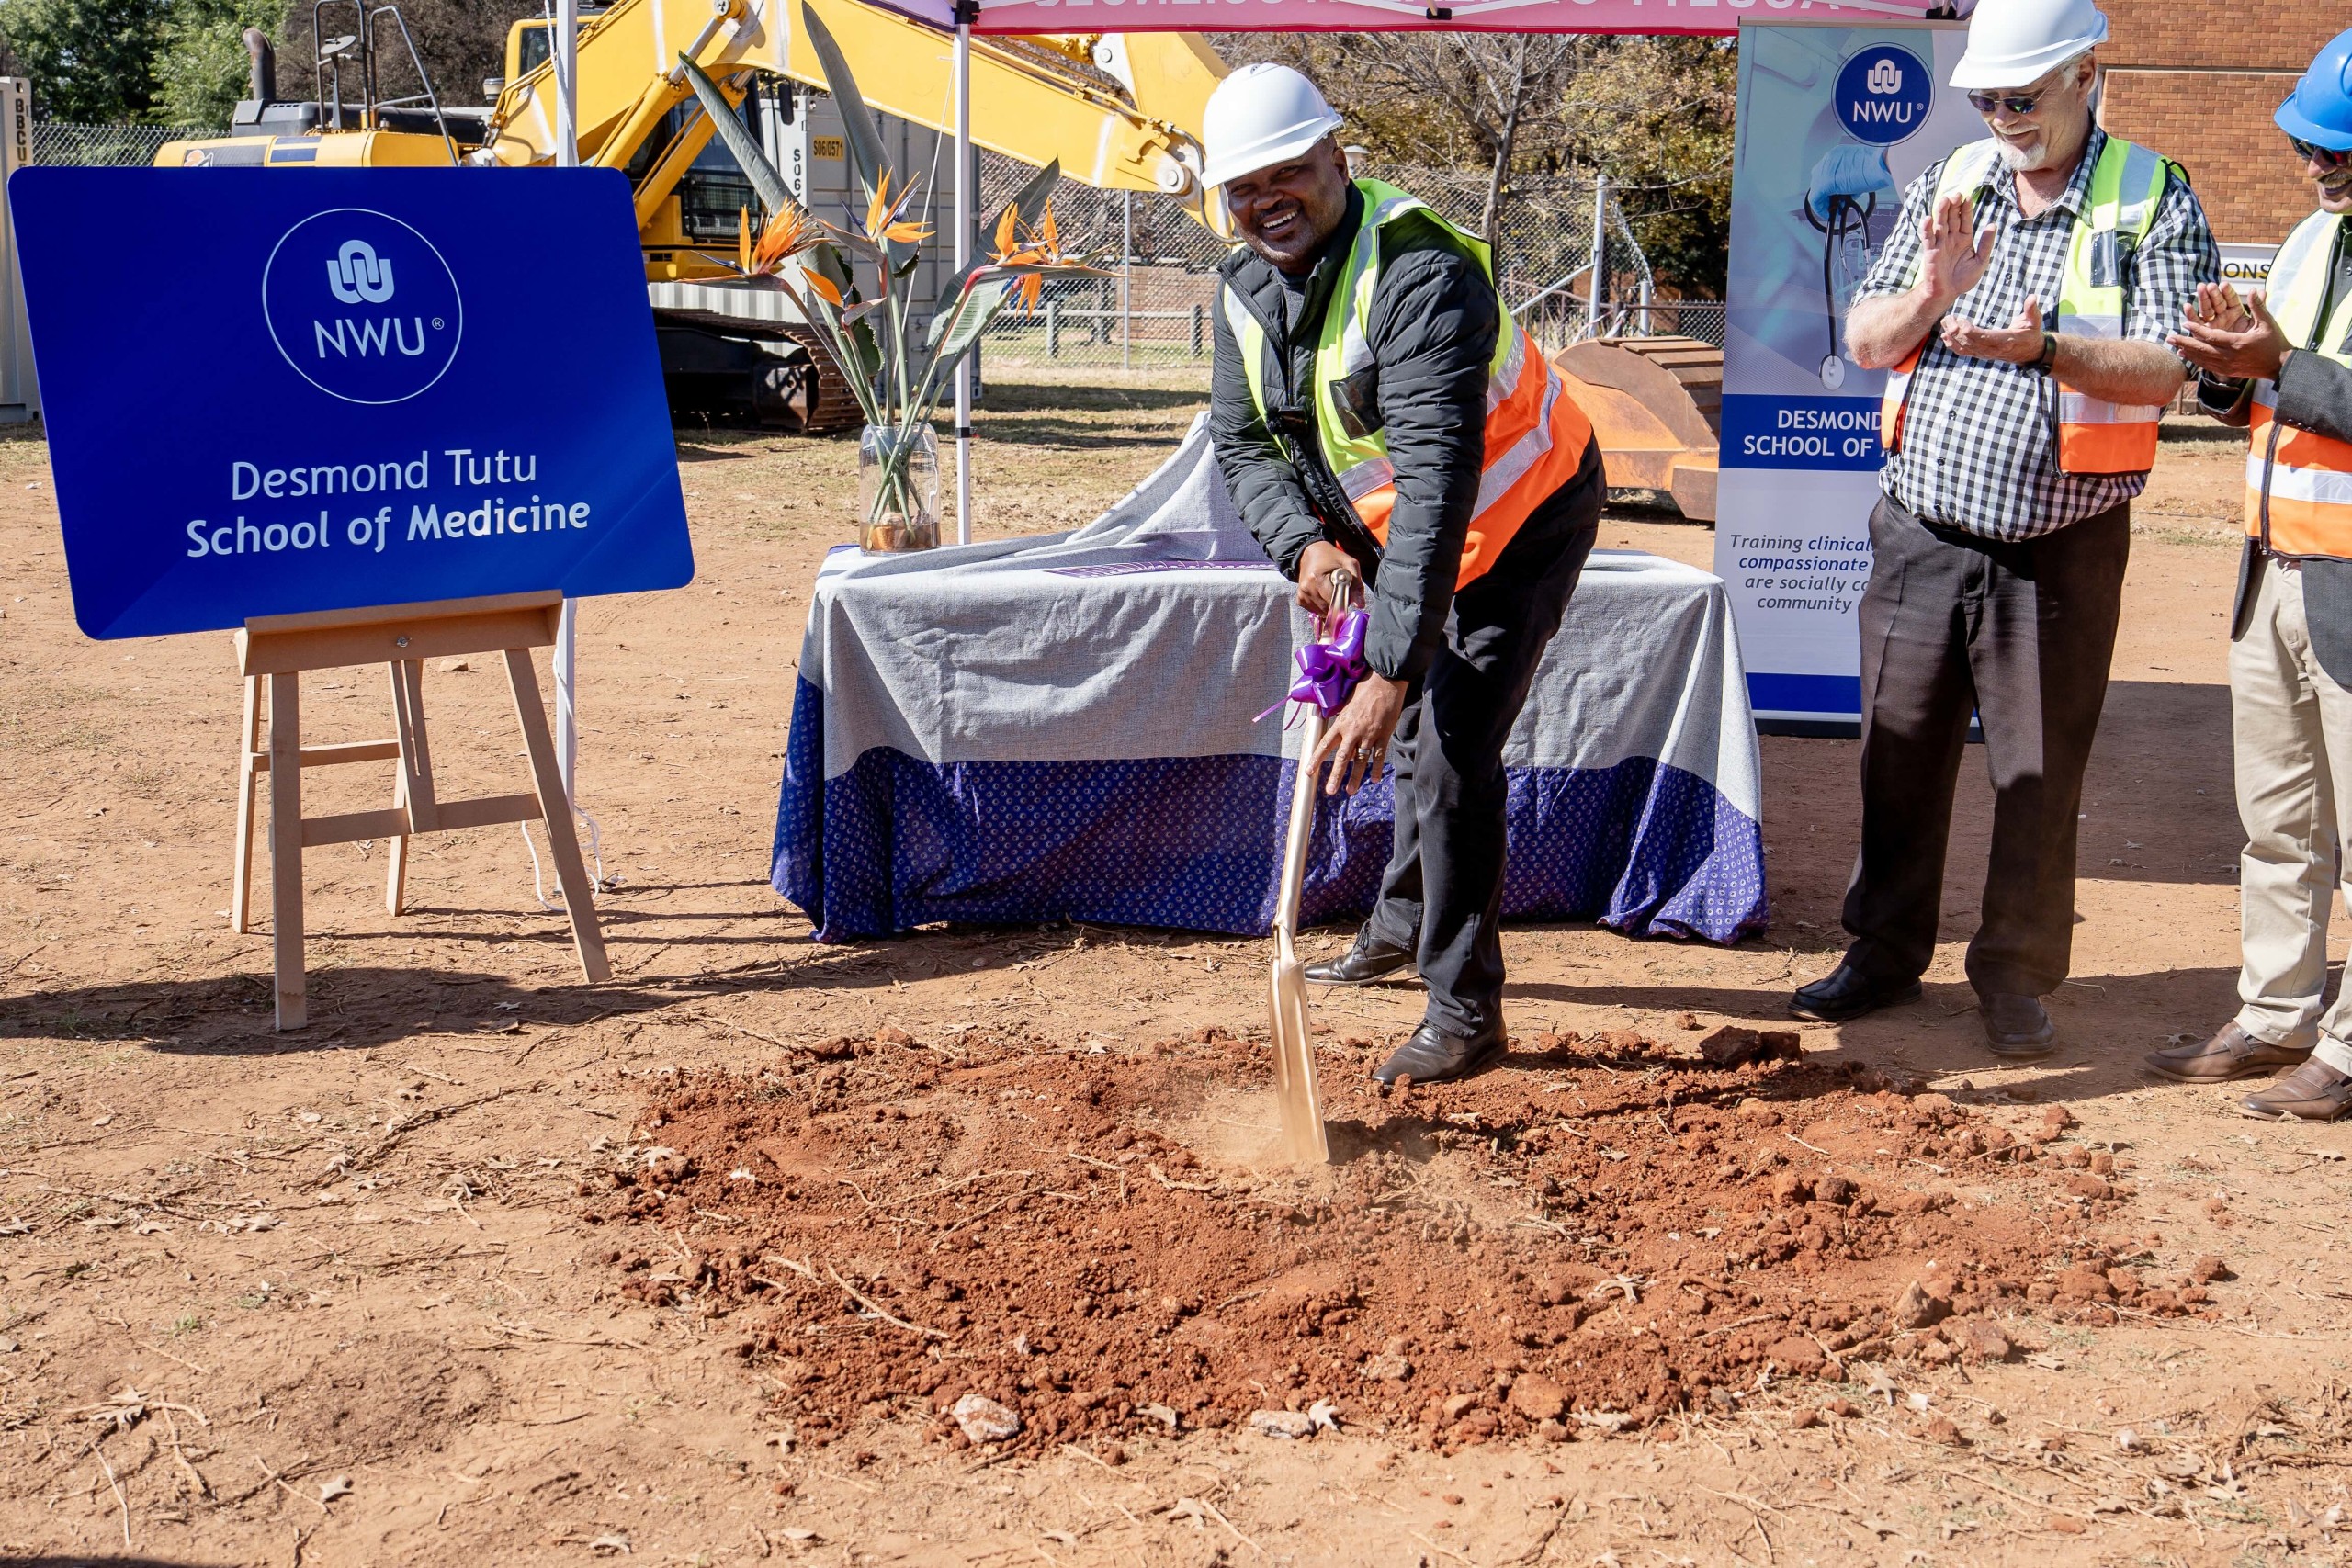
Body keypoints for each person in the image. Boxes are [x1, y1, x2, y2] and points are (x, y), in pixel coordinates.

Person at [1788, 0, 2218, 1059]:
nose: (2000, 117)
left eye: (2020, 97)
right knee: (1897, 756)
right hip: (1921, 533)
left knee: (2037, 773)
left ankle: (2014, 973)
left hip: (2058, 551)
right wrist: (1933, 291)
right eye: (1984, 99)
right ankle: (1882, 954)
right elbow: (1867, 333)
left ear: (2082, 75)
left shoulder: (2151, 195)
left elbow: (2176, 365)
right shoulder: (1950, 181)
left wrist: (2045, 349)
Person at [1200, 63, 1604, 1088]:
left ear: (1338, 158)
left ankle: (1465, 1010)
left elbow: (1438, 489)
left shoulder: (1419, 273)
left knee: (1450, 746)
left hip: (1521, 516)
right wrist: (1304, 547)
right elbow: (1245, 445)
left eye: (1288, 171)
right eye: (1243, 187)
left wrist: (1389, 669)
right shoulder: (1242, 289)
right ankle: (1398, 922)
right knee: (1427, 743)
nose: (1265, 201)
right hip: (1398, 538)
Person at [2153, 29, 2352, 1121]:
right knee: (2275, 819)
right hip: (2274, 571)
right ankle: (2276, 1011)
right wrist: (2227, 377)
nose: (2315, 168)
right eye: (2304, 147)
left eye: (2337, 153)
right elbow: (2271, 400)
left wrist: (2279, 364)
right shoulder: (2310, 243)